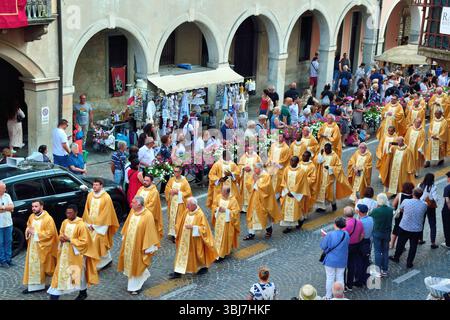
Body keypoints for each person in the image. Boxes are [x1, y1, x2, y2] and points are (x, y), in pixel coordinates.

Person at [47, 205, 99, 300]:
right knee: (60, 273)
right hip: (64, 253)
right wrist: (61, 238)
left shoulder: (81, 225)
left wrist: (70, 239)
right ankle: (54, 295)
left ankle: (83, 292)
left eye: (70, 213)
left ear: (76, 212)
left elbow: (84, 242)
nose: (68, 215)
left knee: (79, 274)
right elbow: (61, 233)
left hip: (76, 254)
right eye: (67, 213)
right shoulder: (65, 222)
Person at [117, 196, 160, 295]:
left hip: (139, 245)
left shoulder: (148, 215)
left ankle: (135, 287)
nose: (131, 204)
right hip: (130, 244)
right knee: (131, 264)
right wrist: (125, 236)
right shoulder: (133, 211)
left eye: (133, 203)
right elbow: (128, 224)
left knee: (137, 264)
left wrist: (148, 247)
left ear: (139, 205)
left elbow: (150, 232)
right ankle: (142, 276)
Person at [169, 197, 217, 279]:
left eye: (188, 205)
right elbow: (181, 222)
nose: (186, 206)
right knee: (181, 254)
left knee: (197, 255)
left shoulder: (200, 214)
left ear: (194, 205)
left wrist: (193, 227)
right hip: (184, 238)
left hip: (194, 240)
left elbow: (204, 229)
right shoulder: (187, 211)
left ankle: (203, 267)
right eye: (187, 204)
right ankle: (177, 272)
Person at [82, 178, 120, 270]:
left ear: (101, 186)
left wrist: (95, 226)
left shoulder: (106, 198)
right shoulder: (90, 195)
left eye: (96, 185)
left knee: (99, 243)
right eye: (93, 185)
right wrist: (88, 223)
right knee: (89, 243)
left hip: (100, 226)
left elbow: (106, 214)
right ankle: (106, 260)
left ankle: (101, 263)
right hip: (90, 224)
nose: (94, 187)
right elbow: (87, 210)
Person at [22, 200, 58, 294]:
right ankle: (33, 287)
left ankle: (43, 284)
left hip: (43, 247)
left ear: (42, 206)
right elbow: (28, 226)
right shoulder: (31, 216)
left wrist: (36, 233)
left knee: (42, 266)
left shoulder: (48, 219)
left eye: (36, 206)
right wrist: (28, 230)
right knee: (33, 265)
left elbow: (51, 234)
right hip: (32, 245)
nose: (34, 208)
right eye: (32, 206)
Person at [389, 188, 427, 268]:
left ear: (413, 194)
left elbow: (401, 209)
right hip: (417, 229)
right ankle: (409, 263)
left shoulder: (406, 201)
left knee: (400, 243)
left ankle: (396, 257)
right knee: (413, 246)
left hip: (405, 226)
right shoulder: (424, 204)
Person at [243, 163, 282, 240]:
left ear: (260, 169)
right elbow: (248, 184)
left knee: (264, 216)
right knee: (252, 215)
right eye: (254, 169)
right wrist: (254, 181)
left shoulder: (266, 176)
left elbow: (266, 188)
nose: (254, 171)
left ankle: (269, 230)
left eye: (256, 169)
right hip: (254, 198)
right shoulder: (255, 175)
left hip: (263, 200)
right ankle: (251, 234)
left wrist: (256, 181)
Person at [314, 143, 352, 213]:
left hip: (329, 177)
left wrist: (330, 168)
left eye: (327, 149)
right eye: (325, 149)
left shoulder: (334, 156)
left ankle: (334, 205)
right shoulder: (323, 153)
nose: (326, 151)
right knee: (321, 192)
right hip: (322, 176)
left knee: (330, 192)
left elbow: (339, 167)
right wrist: (320, 154)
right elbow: (317, 161)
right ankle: (322, 207)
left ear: (330, 149)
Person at [320, 217, 350, 300]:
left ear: (335, 224)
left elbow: (323, 246)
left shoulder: (330, 234)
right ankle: (340, 295)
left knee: (330, 277)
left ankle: (328, 296)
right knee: (340, 277)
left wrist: (324, 237)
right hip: (342, 260)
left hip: (330, 260)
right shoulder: (346, 234)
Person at [280, 156, 311, 233]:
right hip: (287, 193)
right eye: (291, 160)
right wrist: (287, 191)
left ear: (297, 162)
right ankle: (289, 226)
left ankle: (301, 219)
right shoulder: (286, 169)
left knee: (297, 209)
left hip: (296, 194)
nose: (291, 162)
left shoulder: (301, 171)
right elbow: (284, 180)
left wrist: (293, 193)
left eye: (293, 161)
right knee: (287, 210)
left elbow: (300, 184)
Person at [211, 185, 240, 261]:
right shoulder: (218, 197)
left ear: (227, 193)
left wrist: (226, 211)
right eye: (222, 191)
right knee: (218, 237)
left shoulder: (233, 200)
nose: (221, 193)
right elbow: (214, 206)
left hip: (227, 223)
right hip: (219, 222)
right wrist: (217, 209)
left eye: (223, 192)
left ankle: (221, 255)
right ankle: (217, 252)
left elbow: (236, 212)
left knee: (224, 238)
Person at [165, 166, 193, 242]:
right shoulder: (171, 179)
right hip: (172, 203)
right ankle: (172, 233)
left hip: (180, 204)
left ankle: (178, 234)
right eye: (174, 171)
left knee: (179, 219)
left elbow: (188, 192)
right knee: (172, 218)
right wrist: (170, 191)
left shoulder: (184, 181)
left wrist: (178, 192)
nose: (175, 173)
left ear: (180, 172)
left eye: (177, 171)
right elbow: (167, 188)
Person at [370, 193, 394, 277]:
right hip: (387, 233)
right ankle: (385, 270)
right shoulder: (390, 210)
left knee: (377, 251)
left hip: (377, 232)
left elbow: (369, 215)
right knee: (385, 251)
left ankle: (378, 270)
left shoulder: (376, 211)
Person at [135, 174, 163, 241]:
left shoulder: (154, 192)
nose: (145, 182)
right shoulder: (141, 189)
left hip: (147, 216)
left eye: (147, 181)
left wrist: (140, 209)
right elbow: (136, 199)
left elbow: (152, 205)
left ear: (151, 182)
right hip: (138, 213)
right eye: (144, 180)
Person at [343, 206, 364, 292]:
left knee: (343, 266)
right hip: (355, 246)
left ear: (345, 214)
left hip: (346, 247)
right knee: (352, 265)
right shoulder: (359, 222)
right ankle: (350, 285)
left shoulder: (344, 224)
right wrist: (357, 241)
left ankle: (343, 285)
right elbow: (362, 235)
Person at [267, 134, 292, 199]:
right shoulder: (273, 145)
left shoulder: (286, 148)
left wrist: (277, 163)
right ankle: (270, 193)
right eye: (278, 136)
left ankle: (276, 196)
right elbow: (270, 154)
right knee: (270, 180)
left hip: (279, 168)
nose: (279, 137)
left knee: (278, 182)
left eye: (280, 136)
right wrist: (270, 161)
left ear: (283, 138)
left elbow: (286, 159)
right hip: (272, 167)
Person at [390, 182, 414, 249]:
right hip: (408, 216)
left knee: (396, 229)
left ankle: (392, 244)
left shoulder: (400, 195)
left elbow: (393, 204)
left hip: (399, 215)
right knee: (404, 232)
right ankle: (401, 246)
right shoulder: (412, 196)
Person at [238, 146, 262, 213]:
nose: (249, 149)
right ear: (246, 148)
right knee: (245, 191)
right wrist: (243, 168)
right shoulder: (243, 156)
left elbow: (260, 166)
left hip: (253, 177)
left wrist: (252, 168)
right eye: (248, 147)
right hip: (245, 177)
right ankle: (245, 208)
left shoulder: (256, 157)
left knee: (253, 190)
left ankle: (253, 206)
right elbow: (239, 165)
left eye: (251, 147)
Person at [417, 173, 438, 249]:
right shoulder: (433, 187)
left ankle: (420, 239)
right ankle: (433, 242)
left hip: (421, 205)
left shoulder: (420, 185)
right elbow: (434, 198)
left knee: (421, 223)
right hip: (430, 207)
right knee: (432, 224)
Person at [355, 204, 373, 287]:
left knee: (359, 262)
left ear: (360, 212)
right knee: (366, 261)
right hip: (368, 241)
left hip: (361, 242)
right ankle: (366, 279)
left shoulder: (359, 222)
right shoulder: (371, 219)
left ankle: (359, 280)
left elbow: (358, 234)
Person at [0, 182, 14, 268]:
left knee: (8, 241)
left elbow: (12, 207)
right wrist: (7, 208)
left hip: (8, 223)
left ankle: (8, 259)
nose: (5, 190)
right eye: (3, 189)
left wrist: (3, 208)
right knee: (0, 243)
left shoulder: (7, 196)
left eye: (5, 188)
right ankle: (3, 261)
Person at [442, 172, 450, 249]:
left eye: (447, 177)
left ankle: (448, 243)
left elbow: (447, 200)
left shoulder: (447, 188)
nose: (446, 179)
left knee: (447, 226)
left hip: (447, 211)